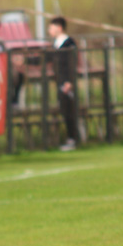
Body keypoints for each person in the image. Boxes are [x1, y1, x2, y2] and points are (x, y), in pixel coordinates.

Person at [48, 17, 79, 151]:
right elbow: (46, 58)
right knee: (64, 109)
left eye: (51, 27)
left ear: (59, 27)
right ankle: (70, 138)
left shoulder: (69, 43)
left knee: (69, 110)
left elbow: (72, 63)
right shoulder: (56, 43)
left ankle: (73, 139)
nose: (49, 30)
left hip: (67, 82)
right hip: (60, 81)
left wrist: (69, 81)